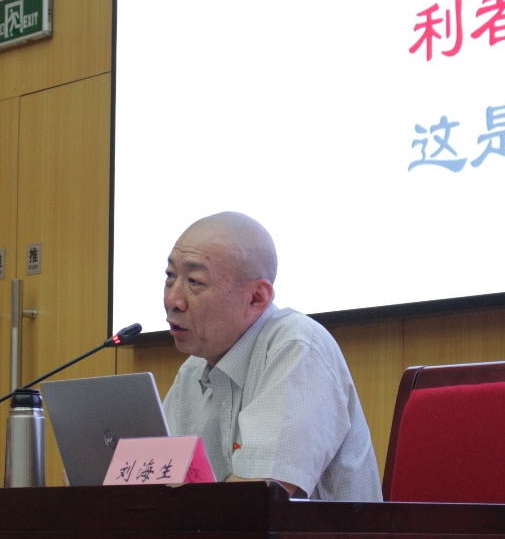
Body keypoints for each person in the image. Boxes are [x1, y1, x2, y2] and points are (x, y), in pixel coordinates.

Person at [161, 211, 382, 501]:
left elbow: (256, 499)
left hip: (316, 534)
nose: (172, 300)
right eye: (170, 276)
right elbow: (156, 486)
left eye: (194, 281)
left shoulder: (298, 348)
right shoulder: (192, 372)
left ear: (256, 298)